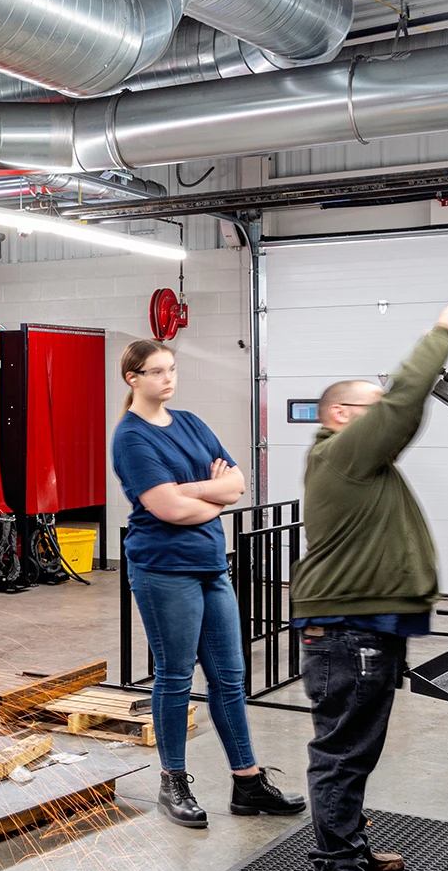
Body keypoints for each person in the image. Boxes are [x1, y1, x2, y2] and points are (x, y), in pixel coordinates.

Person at [288, 304, 448, 871]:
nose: (384, 415)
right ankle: (337, 870)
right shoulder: (341, 453)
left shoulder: (360, 465)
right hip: (348, 631)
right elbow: (403, 407)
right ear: (342, 416)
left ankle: (350, 850)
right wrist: (441, 333)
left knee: (356, 746)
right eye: (372, 405)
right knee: (343, 749)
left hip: (365, 626)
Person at [112, 337, 304, 829]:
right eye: (156, 372)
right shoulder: (131, 439)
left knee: (230, 677)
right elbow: (168, 510)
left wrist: (196, 492)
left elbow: (236, 484)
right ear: (133, 378)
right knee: (175, 677)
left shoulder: (192, 423)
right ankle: (172, 782)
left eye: (171, 369)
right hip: (162, 568)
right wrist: (208, 497)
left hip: (211, 564)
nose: (168, 379)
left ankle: (247, 782)